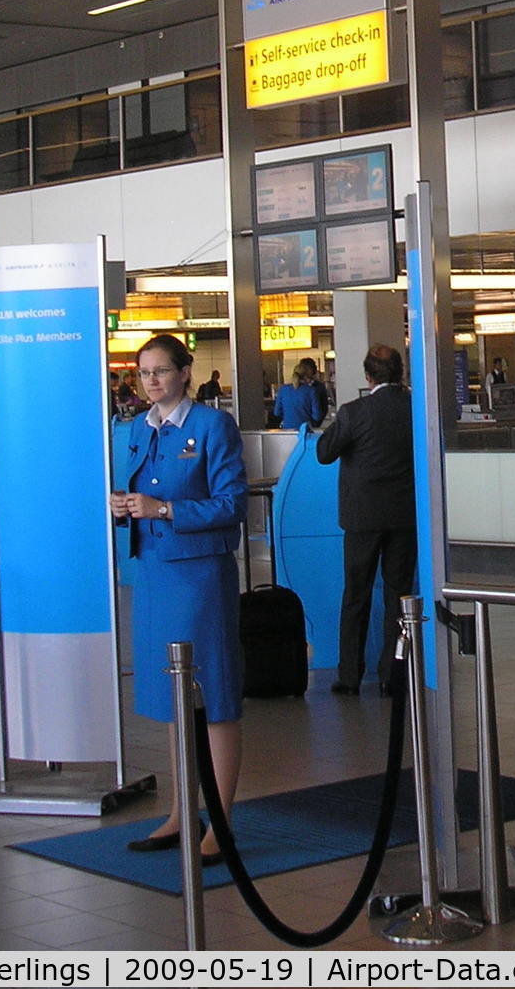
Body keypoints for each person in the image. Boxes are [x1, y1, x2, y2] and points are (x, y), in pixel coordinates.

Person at [111, 334, 246, 857]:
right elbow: (138, 492)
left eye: (161, 371)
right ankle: (179, 811)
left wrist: (165, 510)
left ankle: (223, 821)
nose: (151, 381)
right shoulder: (135, 430)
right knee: (172, 698)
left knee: (212, 696)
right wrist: (124, 507)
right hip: (153, 575)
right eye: (144, 373)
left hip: (198, 579)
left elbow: (232, 503)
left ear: (185, 373)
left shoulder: (212, 426)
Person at [315, 344, 415, 696]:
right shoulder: (414, 409)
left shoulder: (354, 412)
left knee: (356, 595)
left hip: (362, 518)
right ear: (400, 373)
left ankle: (349, 675)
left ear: (368, 375)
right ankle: (394, 673)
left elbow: (324, 453)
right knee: (399, 595)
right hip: (405, 516)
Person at [274, 359, 326, 430]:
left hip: (287, 430)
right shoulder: (311, 390)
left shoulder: (283, 389)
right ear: (306, 376)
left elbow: (277, 412)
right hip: (306, 431)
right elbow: (317, 416)